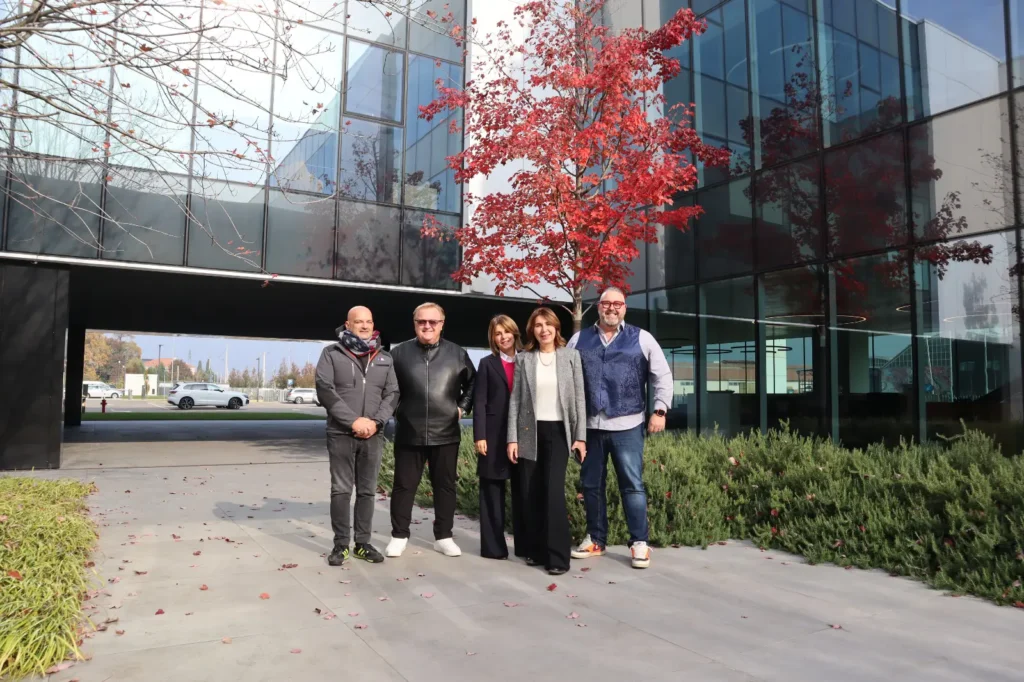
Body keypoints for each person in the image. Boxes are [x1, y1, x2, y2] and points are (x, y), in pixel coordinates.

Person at [567, 286, 673, 569]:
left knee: (632, 485)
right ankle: (595, 539)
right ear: (598, 307)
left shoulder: (642, 338)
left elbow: (662, 375)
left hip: (628, 425)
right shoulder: (578, 339)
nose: (612, 308)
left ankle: (639, 542)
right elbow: (566, 379)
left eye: (618, 304)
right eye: (606, 303)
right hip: (589, 427)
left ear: (624, 308)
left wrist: (660, 410)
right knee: (591, 484)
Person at [386, 302, 476, 558]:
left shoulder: (457, 353)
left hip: (445, 432)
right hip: (409, 431)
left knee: (445, 487)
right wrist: (396, 411)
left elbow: (473, 383)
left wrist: (462, 408)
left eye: (432, 321)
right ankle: (399, 536)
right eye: (421, 321)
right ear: (414, 324)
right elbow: (387, 388)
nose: (427, 326)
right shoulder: (398, 354)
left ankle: (443, 537)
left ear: (442, 324)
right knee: (403, 486)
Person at [315, 306, 399, 567]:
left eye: (368, 321)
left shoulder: (384, 357)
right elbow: (325, 390)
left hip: (373, 434)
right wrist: (353, 421)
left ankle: (363, 544)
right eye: (359, 322)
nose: (364, 326)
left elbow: (392, 393)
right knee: (341, 489)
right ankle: (341, 545)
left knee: (367, 491)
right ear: (348, 324)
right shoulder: (332, 353)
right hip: (340, 432)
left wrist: (376, 422)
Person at [507, 307, 587, 575]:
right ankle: (536, 550)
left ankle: (557, 557)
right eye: (538, 325)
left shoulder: (571, 357)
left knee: (553, 492)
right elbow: (515, 400)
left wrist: (580, 437)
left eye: (548, 324)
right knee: (532, 492)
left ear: (556, 327)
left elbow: (579, 399)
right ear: (532, 330)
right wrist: (512, 439)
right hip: (529, 430)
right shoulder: (524, 359)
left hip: (558, 433)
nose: (544, 330)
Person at [473, 315, 524, 560]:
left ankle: (526, 547)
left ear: (515, 333)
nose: (503, 337)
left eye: (507, 331)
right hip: (493, 435)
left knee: (524, 491)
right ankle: (493, 548)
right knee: (492, 491)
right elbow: (479, 401)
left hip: (523, 434)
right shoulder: (487, 364)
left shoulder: (528, 359)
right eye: (497, 333)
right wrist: (480, 435)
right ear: (493, 338)